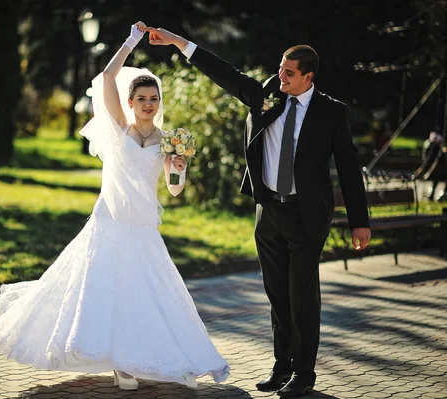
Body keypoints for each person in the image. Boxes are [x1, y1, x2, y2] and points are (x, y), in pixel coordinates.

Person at [0, 22, 230, 391]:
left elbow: (174, 191)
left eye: (154, 99)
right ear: (131, 103)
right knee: (103, 288)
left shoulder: (169, 139)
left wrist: (179, 169)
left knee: (152, 292)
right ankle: (119, 364)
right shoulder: (119, 126)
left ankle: (164, 359)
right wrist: (131, 40)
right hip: (110, 219)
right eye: (142, 99)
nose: (148, 105)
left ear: (160, 103)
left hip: (143, 223)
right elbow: (107, 75)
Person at [147, 27, 371, 397]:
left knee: (302, 297)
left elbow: (348, 168)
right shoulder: (268, 95)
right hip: (268, 214)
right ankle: (282, 367)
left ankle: (304, 373)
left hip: (307, 217)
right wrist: (177, 42)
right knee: (277, 297)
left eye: (289, 73)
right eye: (280, 68)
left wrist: (360, 223)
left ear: (308, 77)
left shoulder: (331, 113)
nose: (280, 76)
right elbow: (225, 73)